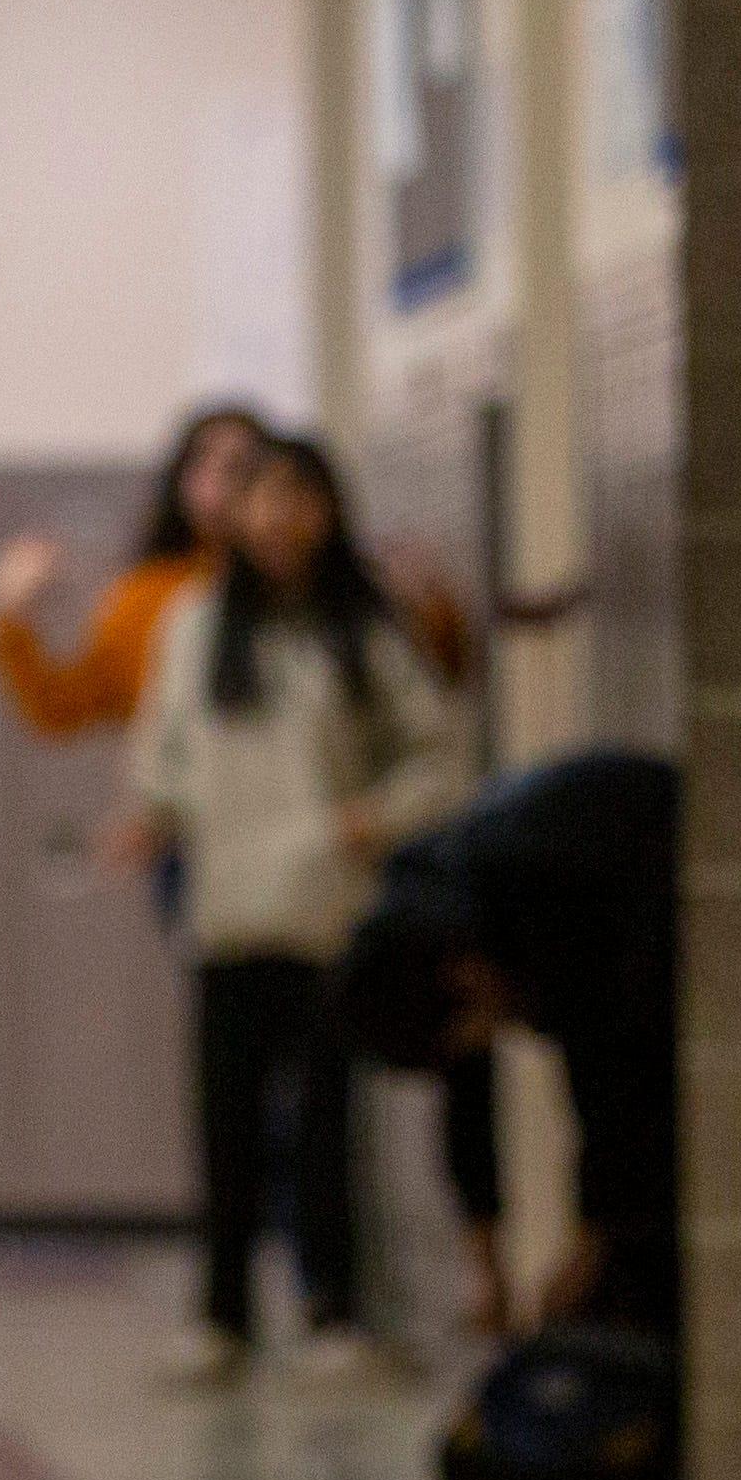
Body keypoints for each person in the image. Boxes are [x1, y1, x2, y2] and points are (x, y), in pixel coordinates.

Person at [117, 434, 467, 1383]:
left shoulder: (366, 625)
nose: (281, 517)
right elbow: (165, 748)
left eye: (301, 497)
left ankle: (334, 1312)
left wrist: (376, 816)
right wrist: (153, 814)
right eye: (263, 497)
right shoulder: (194, 624)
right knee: (225, 1128)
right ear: (232, 513)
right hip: (229, 912)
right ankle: (222, 1317)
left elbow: (439, 752)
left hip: (329, 911)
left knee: (325, 1124)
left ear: (329, 511)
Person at [335, 748, 681, 1350]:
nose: (493, 1037)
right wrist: (487, 1273)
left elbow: (612, 1083)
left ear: (463, 978)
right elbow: (466, 1103)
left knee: (636, 1258)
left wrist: (591, 1243)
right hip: (621, 899)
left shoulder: (541, 892)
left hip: (670, 865)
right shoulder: (426, 933)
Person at [0, 399, 269, 744]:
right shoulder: (148, 593)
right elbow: (64, 707)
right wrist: (11, 615)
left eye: (238, 466)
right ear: (181, 479)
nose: (218, 480)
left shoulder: (295, 587)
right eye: (202, 461)